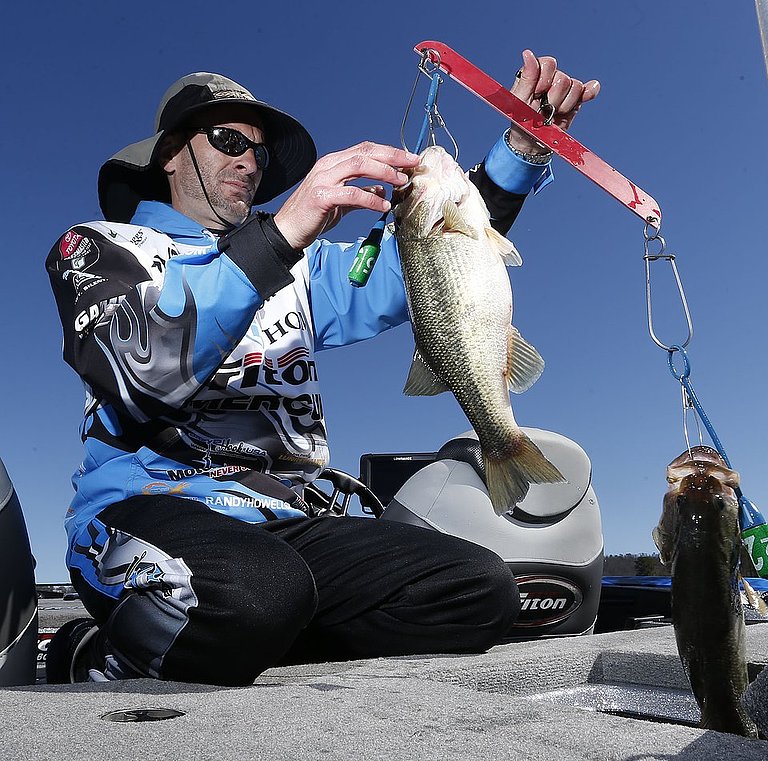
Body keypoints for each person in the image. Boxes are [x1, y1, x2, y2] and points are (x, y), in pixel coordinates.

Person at [46, 51, 600, 686]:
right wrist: (280, 236)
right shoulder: (99, 248)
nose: (250, 163)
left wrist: (519, 151)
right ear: (169, 154)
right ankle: (100, 650)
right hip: (150, 506)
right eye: (228, 141)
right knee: (255, 592)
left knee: (480, 589)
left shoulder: (302, 267)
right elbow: (144, 364)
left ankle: (252, 638)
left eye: (259, 152)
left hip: (291, 519)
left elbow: (431, 264)